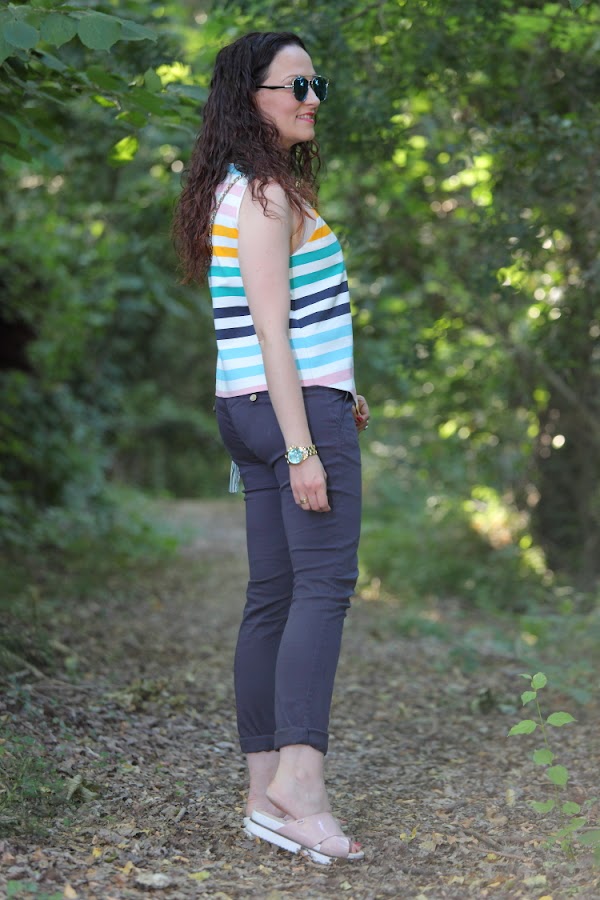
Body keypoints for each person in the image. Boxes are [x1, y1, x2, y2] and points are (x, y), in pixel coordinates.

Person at [173, 31, 370, 865]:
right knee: (322, 590)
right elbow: (271, 331)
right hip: (288, 416)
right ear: (250, 99)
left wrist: (341, 386)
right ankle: (302, 783)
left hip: (252, 407)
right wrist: (303, 446)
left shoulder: (238, 189)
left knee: (275, 596)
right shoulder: (264, 197)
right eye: (296, 85)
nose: (312, 98)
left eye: (316, 84)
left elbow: (290, 323)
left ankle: (263, 794)